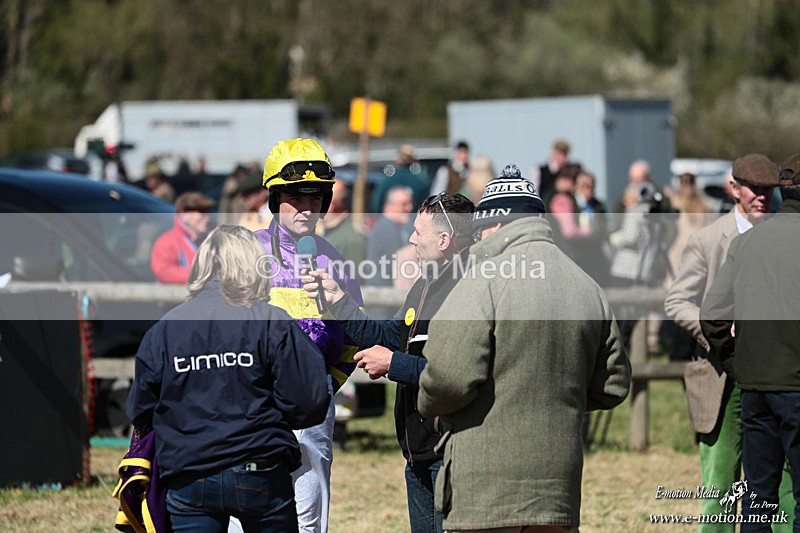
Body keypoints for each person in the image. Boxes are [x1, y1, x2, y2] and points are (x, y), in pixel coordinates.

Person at [417, 164, 631, 531]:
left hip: (486, 490)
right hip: (558, 489)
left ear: (498, 224)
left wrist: (428, 402)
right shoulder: (586, 285)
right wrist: (554, 399)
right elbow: (613, 383)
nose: (478, 238)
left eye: (481, 229)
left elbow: (447, 379)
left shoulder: (481, 279)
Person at [126, 224, 331, 532]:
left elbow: (140, 409)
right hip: (260, 468)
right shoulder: (272, 322)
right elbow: (309, 401)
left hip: (189, 471)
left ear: (202, 265)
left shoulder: (164, 330)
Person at [303, 192, 475, 533]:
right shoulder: (425, 285)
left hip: (452, 456)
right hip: (419, 453)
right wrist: (338, 300)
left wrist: (394, 365)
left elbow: (457, 375)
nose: (411, 240)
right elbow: (386, 336)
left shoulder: (470, 292)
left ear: (444, 241)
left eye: (419, 232)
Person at [665, 154, 794, 530]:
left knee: (781, 486)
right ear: (735, 188)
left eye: (768, 190)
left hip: (774, 373)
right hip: (720, 374)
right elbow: (677, 301)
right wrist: (716, 331)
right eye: (754, 188)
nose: (761, 196)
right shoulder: (707, 239)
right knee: (721, 486)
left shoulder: (784, 234)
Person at [241, 138, 363, 533]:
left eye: (315, 198)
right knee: (247, 508)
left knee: (307, 515)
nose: (307, 208)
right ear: (275, 199)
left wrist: (323, 386)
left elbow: (353, 337)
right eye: (296, 197)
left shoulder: (335, 261)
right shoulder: (246, 253)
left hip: (312, 404)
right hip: (254, 399)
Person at [700, 153, 800, 531]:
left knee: (758, 496)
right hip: (794, 386)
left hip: (754, 388)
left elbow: (712, 314)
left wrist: (737, 364)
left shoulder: (747, 242)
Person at [150, 191, 216, 284]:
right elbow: (164, 271)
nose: (207, 219)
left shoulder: (212, 240)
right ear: (184, 214)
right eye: (202, 213)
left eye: (207, 212)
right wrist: (201, 277)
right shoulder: (166, 242)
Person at [366, 186, 414, 287]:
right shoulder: (386, 229)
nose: (409, 208)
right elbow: (401, 265)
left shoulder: (387, 226)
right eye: (404, 204)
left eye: (410, 203)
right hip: (381, 292)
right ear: (389, 206)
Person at [317, 178, 366, 269]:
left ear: (330, 204)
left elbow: (355, 275)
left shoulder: (351, 239)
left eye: (318, 200)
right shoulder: (325, 231)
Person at [370, 145, 430, 213]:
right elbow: (425, 208)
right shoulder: (421, 182)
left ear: (398, 159)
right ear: (413, 159)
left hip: (390, 217)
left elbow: (376, 205)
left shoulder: (386, 180)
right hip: (412, 218)